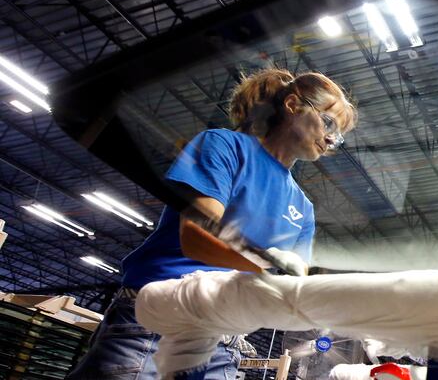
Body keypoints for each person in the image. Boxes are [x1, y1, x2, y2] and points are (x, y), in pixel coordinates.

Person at [67, 68, 357, 379]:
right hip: (160, 318)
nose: (330, 139)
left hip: (222, 339)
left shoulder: (302, 207)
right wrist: (270, 272)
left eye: (337, 136)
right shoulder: (224, 146)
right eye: (328, 123)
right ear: (292, 106)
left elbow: (299, 287)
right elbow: (198, 235)